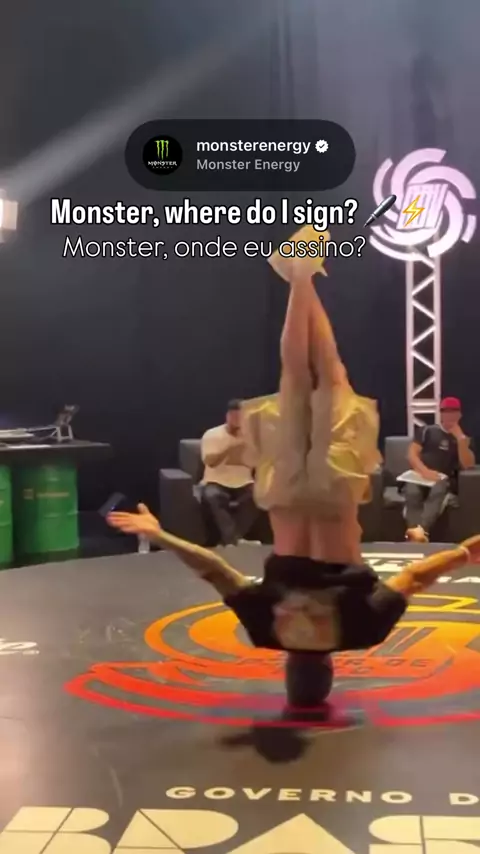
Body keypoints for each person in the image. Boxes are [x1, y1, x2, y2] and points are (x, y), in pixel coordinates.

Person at [107, 226, 480, 661]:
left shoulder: (364, 630)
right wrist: (159, 534)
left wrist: (463, 554)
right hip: (284, 497)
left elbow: (414, 578)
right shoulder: (266, 630)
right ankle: (302, 275)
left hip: (334, 495)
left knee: (331, 375)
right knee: (294, 378)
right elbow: (214, 570)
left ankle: (301, 275)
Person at [405, 397, 476, 543]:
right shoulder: (427, 430)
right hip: (420, 474)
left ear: (459, 415)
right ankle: (415, 533)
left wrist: (461, 440)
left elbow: (467, 465)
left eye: (453, 412)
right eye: (445, 411)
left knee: (438, 490)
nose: (449, 415)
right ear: (441, 414)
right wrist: (424, 471)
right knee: (412, 491)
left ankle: (420, 531)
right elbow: (412, 454)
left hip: (442, 478)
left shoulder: (463, 439)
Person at [201, 399, 260, 545]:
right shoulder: (212, 434)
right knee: (213, 496)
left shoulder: (251, 436)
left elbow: (257, 462)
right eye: (234, 417)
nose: (237, 421)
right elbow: (209, 461)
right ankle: (234, 541)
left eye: (240, 418)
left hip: (243, 481)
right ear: (227, 416)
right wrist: (228, 449)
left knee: (259, 496)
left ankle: (231, 540)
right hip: (216, 481)